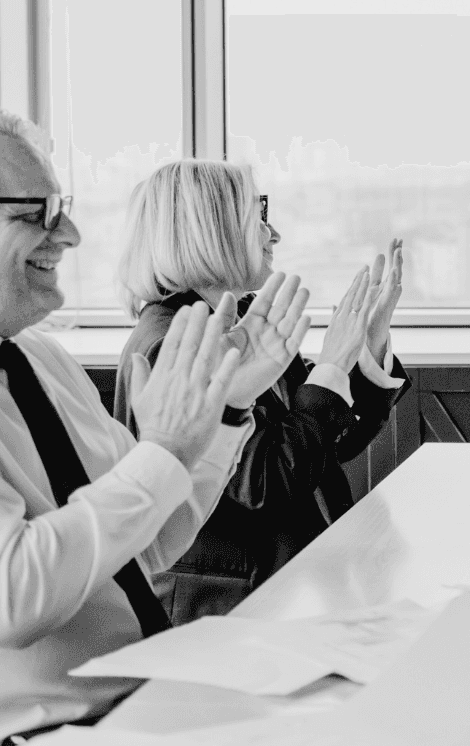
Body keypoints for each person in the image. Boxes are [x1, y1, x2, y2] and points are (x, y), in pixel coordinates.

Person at [0, 111, 311, 738]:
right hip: (59, 732)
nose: (71, 235)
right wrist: (165, 447)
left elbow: (155, 537)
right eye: (38, 212)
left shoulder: (44, 361)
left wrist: (227, 412)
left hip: (154, 696)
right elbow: (13, 596)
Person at [114, 160, 411, 623]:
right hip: (229, 611)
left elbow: (320, 446)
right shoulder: (171, 342)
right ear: (212, 231)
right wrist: (332, 365)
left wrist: (362, 352)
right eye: (260, 219)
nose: (274, 236)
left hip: (288, 591)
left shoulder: (244, 316)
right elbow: (265, 482)